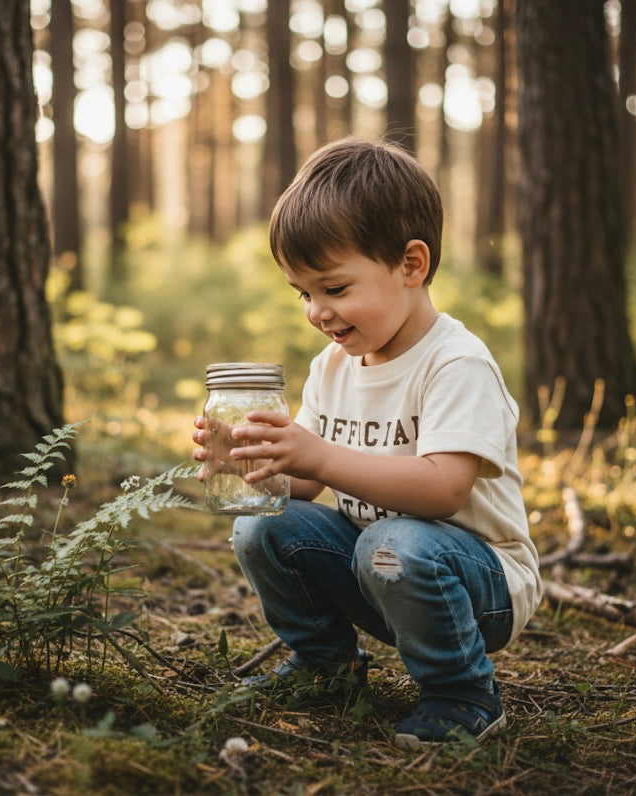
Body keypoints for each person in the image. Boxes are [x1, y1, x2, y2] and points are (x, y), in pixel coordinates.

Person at [192, 137, 542, 748]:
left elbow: (441, 488)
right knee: (262, 524)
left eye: (334, 288)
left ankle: (462, 691)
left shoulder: (455, 363)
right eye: (303, 294)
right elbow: (304, 486)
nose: (317, 312)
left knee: (393, 542)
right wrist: (251, 460)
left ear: (412, 264)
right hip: (377, 567)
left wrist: (320, 453)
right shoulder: (332, 367)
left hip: (478, 585)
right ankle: (326, 664)